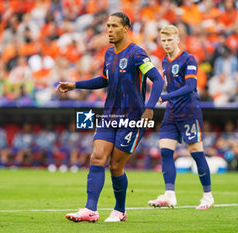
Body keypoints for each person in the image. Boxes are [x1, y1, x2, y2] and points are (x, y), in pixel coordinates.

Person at [57, 12, 164, 222]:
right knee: (97, 157)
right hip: (110, 115)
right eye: (108, 26)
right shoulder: (109, 54)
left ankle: (120, 210)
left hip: (132, 118)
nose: (109, 30)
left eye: (114, 26)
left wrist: (149, 108)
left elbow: (158, 81)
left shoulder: (136, 54)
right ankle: (90, 210)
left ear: (126, 28)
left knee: (115, 165)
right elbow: (104, 79)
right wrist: (76, 84)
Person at [147, 25, 214, 210]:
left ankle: (207, 196)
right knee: (166, 151)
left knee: (196, 152)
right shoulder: (164, 61)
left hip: (189, 112)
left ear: (177, 40)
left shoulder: (188, 59)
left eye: (170, 40)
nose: (167, 43)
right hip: (172, 112)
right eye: (164, 40)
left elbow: (190, 86)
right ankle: (169, 195)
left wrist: (166, 96)